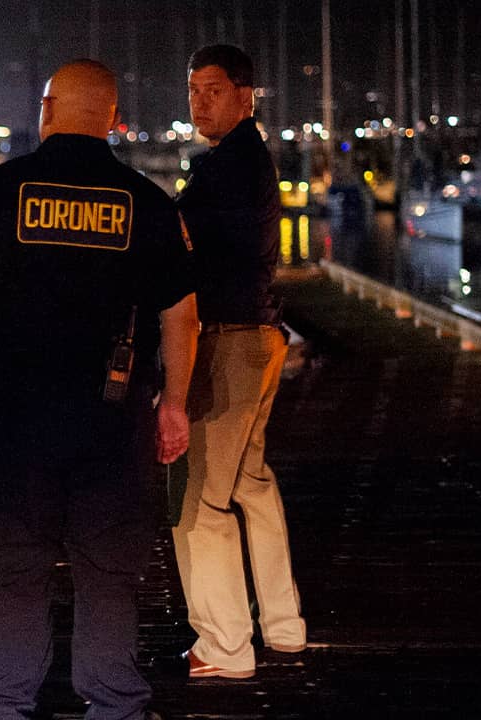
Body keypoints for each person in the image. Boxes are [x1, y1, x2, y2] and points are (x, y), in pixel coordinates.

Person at [0, 59, 198, 720]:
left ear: (48, 108)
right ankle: (114, 705)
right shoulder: (148, 203)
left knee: (15, 570)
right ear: (113, 119)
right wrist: (173, 405)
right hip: (112, 427)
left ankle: (1, 704)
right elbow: (182, 316)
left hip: (18, 423)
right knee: (109, 574)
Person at [170, 44, 307, 679]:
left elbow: (191, 257)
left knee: (202, 503)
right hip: (261, 334)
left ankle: (225, 646)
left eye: (214, 90)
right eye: (194, 89)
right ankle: (282, 626)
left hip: (228, 340)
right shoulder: (243, 160)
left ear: (246, 94)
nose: (200, 101)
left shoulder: (229, 167)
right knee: (251, 483)